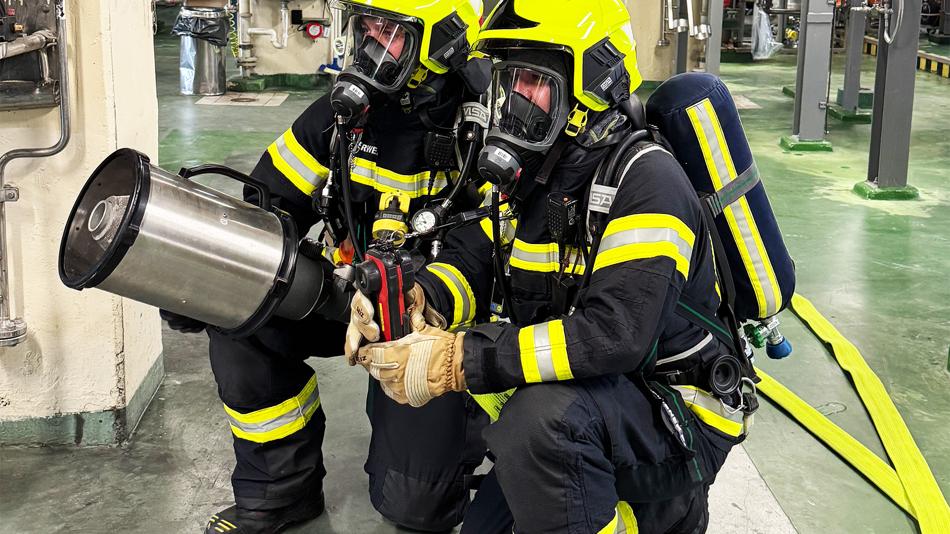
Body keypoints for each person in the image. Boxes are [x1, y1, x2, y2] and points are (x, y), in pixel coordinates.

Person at [350, 1, 755, 532]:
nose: (513, 101)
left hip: (672, 416)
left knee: (538, 424)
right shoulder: (538, 175)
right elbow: (474, 258)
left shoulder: (647, 183)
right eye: (506, 81)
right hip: (595, 403)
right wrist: (422, 300)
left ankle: (661, 514)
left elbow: (614, 335)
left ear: (592, 85)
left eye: (533, 82)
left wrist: (457, 360)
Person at [165, 1, 494, 532]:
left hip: (436, 321)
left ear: (442, 44)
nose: (370, 45)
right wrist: (203, 279)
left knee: (414, 508)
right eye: (366, 27)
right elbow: (267, 205)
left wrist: (421, 299)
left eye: (391, 33)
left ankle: (452, 454)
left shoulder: (487, 129)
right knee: (242, 310)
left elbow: (489, 259)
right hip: (352, 298)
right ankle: (280, 493)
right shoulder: (342, 117)